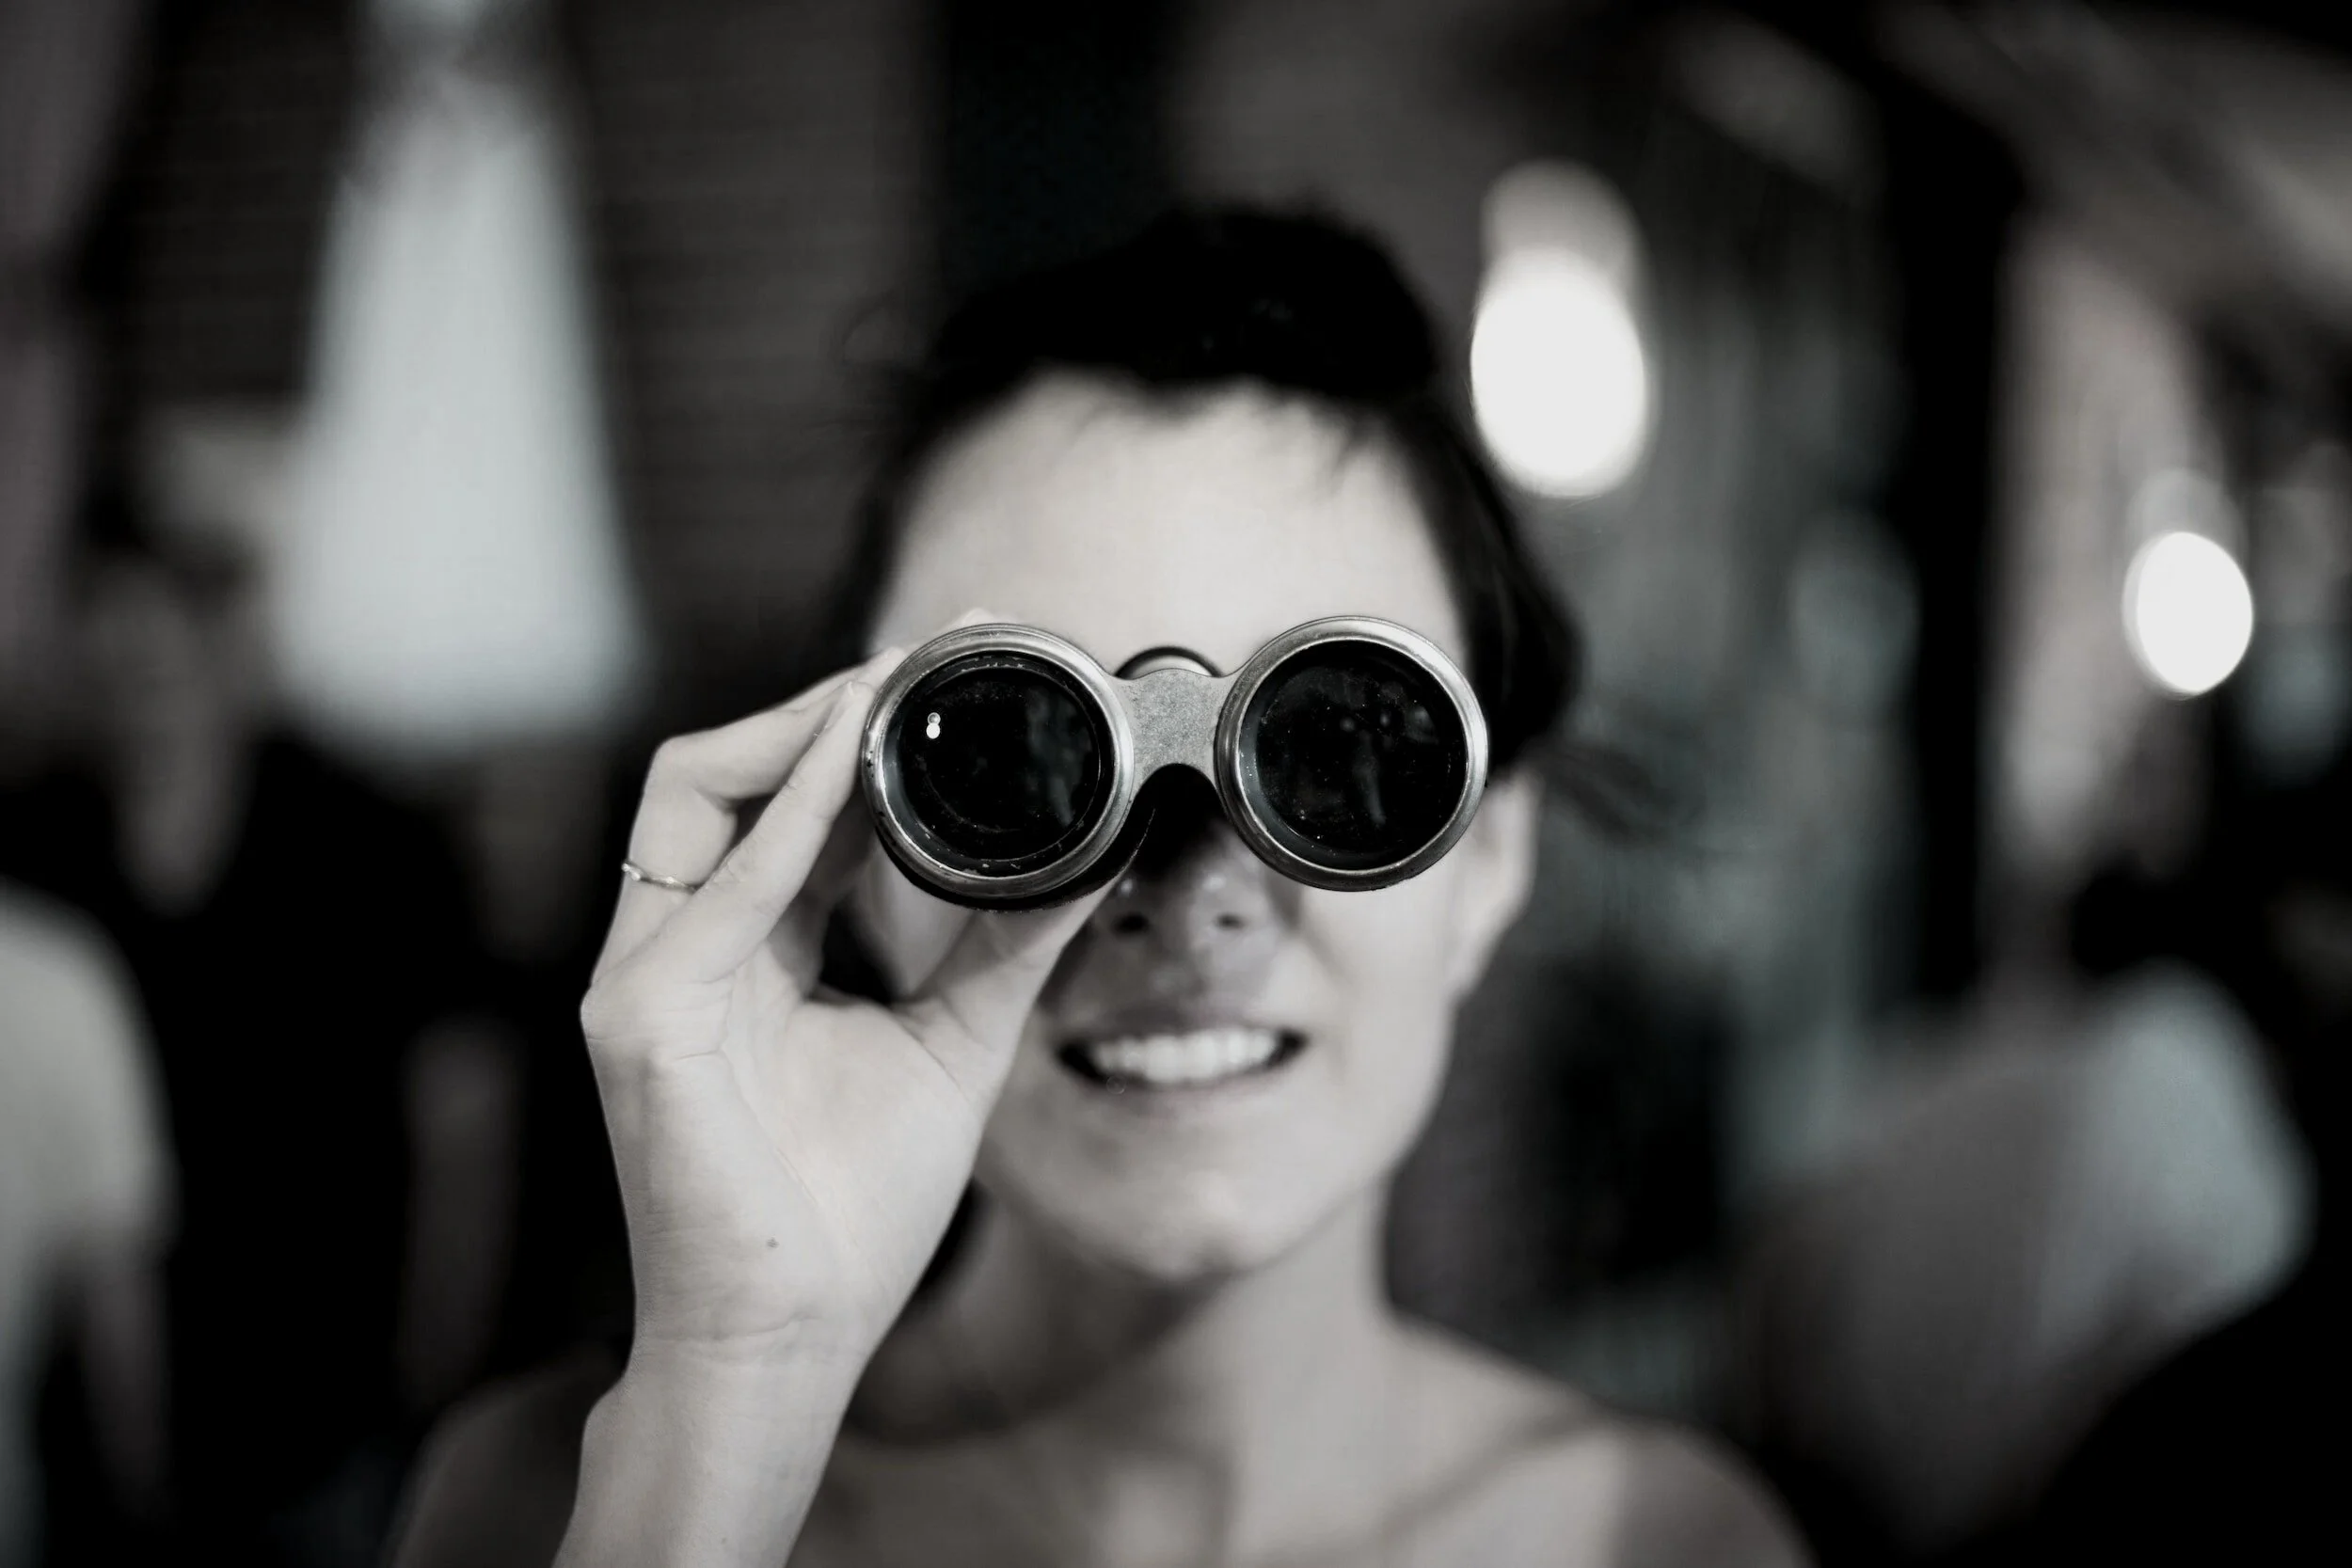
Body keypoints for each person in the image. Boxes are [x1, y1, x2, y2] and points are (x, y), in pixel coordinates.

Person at [393, 209, 1804, 1567]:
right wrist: (731, 1394)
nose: (1190, 894)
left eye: (1335, 746)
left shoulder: (1665, 1542)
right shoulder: (565, 1508)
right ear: (858, 854)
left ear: (1490, 859)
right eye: (1018, 754)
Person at [0, 500, 512, 1565]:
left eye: (159, 654)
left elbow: (467, 1128)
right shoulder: (38, 851)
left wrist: (433, 1381)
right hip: (90, 1429)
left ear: (231, 645)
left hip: (333, 1410)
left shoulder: (373, 846)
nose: (138, 696)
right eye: (109, 661)